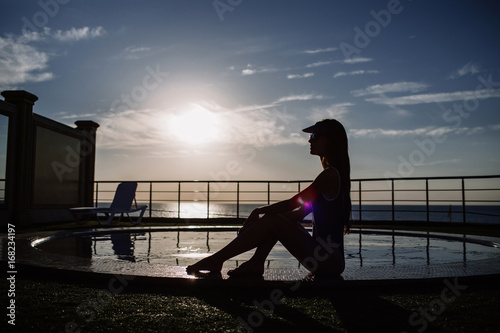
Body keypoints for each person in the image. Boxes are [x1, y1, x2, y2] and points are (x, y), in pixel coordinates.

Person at [186, 119, 352, 277]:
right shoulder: (333, 175)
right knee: (276, 219)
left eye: (315, 136)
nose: (310, 141)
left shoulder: (330, 175)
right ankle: (255, 262)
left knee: (274, 220)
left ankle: (218, 260)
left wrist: (258, 211)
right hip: (326, 261)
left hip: (327, 262)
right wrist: (262, 222)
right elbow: (296, 215)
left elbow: (292, 203)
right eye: (310, 136)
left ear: (331, 141)